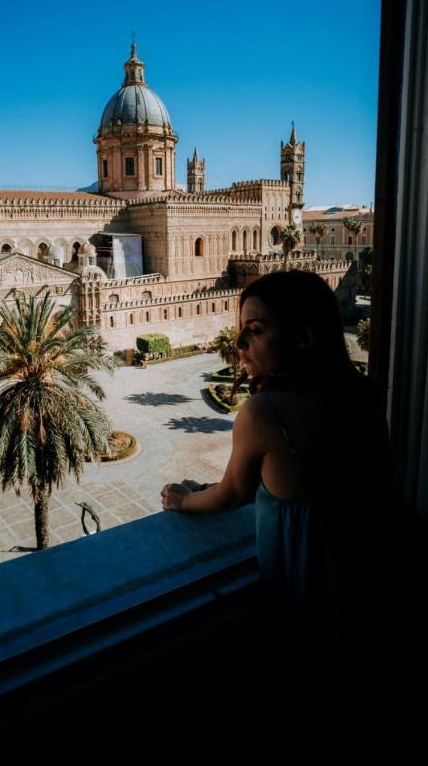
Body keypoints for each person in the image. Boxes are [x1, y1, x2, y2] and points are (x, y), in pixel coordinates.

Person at [161, 270, 424, 678]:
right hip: (378, 579)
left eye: (255, 330)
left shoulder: (264, 414)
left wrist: (184, 500)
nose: (239, 343)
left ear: (301, 338)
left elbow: (233, 493)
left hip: (313, 592)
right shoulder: (361, 395)